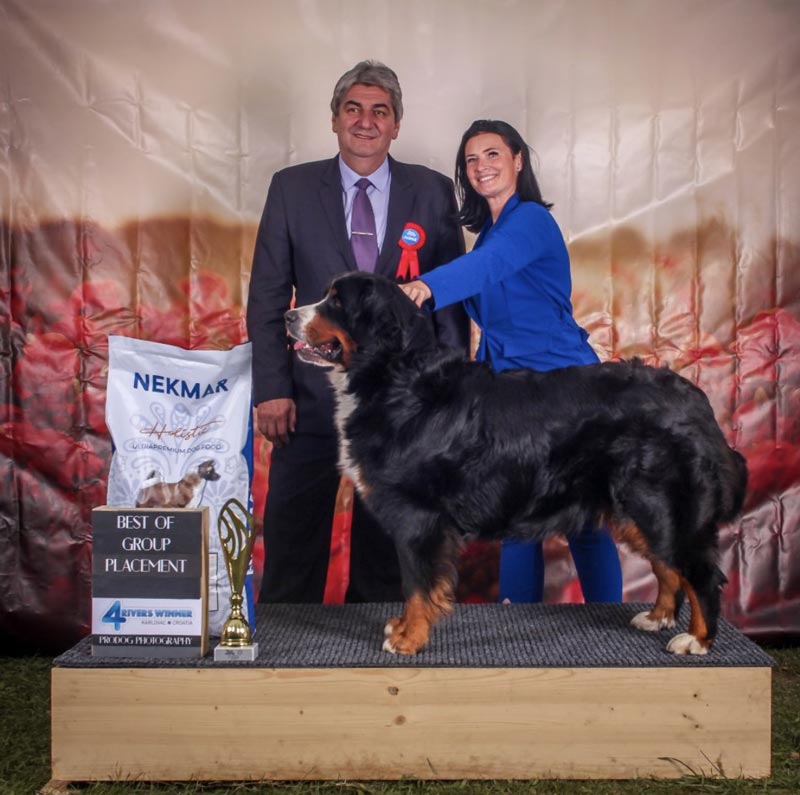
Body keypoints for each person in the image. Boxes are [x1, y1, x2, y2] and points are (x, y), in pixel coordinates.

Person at [247, 61, 470, 604]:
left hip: (402, 410)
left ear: (396, 124)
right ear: (334, 119)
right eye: (353, 109)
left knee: (389, 557)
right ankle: (285, 648)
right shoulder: (291, 188)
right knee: (292, 547)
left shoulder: (433, 191)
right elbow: (268, 296)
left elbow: (449, 303)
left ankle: (381, 648)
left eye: (379, 111)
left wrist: (449, 396)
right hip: (308, 401)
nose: (365, 121)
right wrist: (272, 388)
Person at [400, 119, 622, 604]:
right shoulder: (489, 233)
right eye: (471, 160)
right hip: (512, 388)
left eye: (492, 154)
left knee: (582, 515)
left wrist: (425, 286)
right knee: (519, 513)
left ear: (518, 160)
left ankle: (609, 626)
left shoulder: (531, 221)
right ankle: (517, 627)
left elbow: (489, 267)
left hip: (564, 383)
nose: (481, 166)